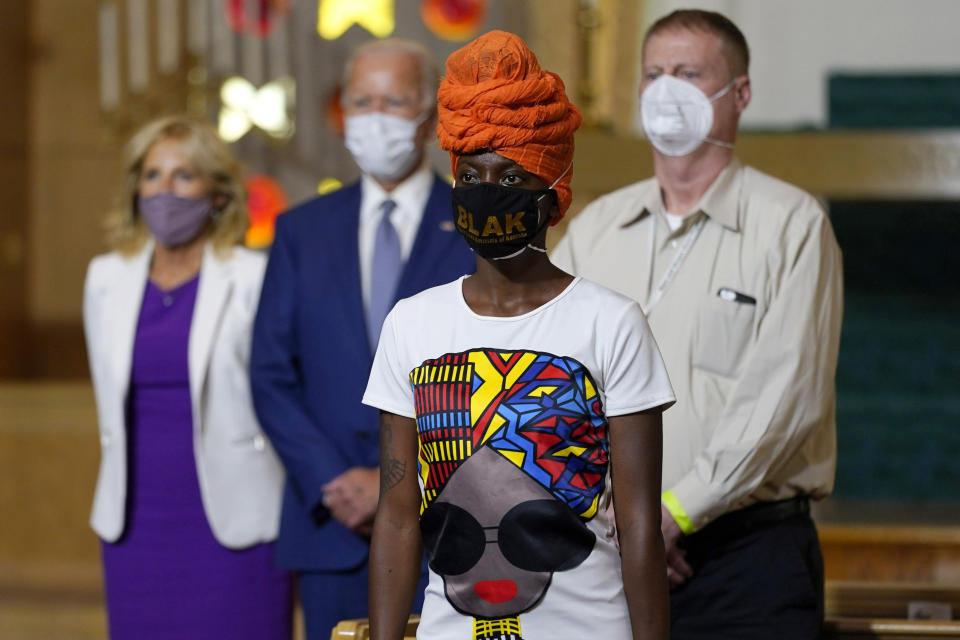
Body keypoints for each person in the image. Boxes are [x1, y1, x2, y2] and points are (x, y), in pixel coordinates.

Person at [363, 31, 675, 640]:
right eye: (471, 175)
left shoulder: (609, 322)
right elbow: (399, 519)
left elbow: (638, 524)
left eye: (509, 178)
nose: (486, 193)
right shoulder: (413, 323)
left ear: (550, 191)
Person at [552, 9, 844, 640]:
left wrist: (672, 516)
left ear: (738, 93)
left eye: (687, 73)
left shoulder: (791, 224)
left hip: (747, 558)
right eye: (654, 74)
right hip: (604, 551)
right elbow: (548, 380)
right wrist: (617, 517)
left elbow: (784, 399)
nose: (666, 90)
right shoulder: (596, 228)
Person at [250, 39, 475, 639]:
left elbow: (495, 375)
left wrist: (398, 482)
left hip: (449, 521)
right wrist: (332, 478)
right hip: (330, 524)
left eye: (394, 101)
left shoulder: (475, 226)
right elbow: (270, 372)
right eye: (362, 101)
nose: (375, 117)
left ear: (428, 117)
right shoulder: (300, 230)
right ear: (342, 112)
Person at [83, 115, 291, 639]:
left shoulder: (253, 277)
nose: (164, 191)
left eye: (183, 176)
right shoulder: (104, 279)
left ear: (217, 194)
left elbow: (282, 389)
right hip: (136, 517)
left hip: (236, 516)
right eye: (152, 176)